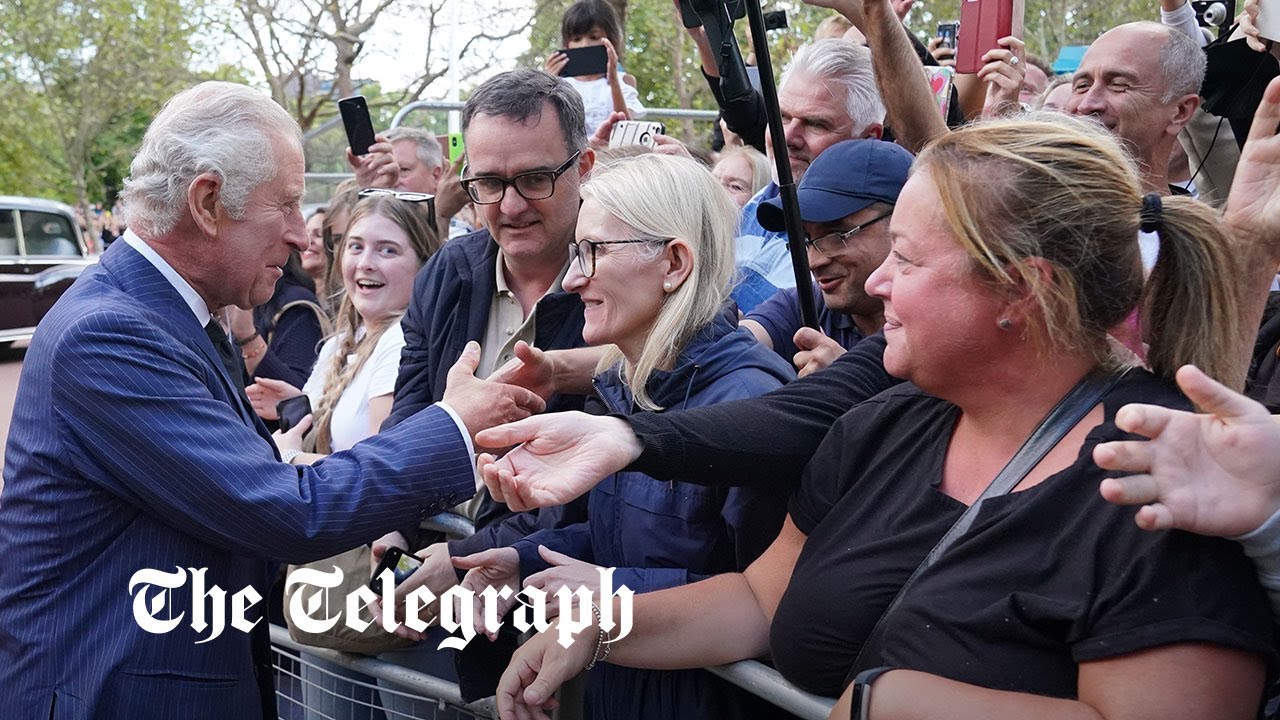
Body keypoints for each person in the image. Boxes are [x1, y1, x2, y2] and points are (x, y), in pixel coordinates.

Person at [485, 113, 1276, 720]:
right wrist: (602, 624)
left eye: (906, 258)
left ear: (1021, 291)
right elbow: (759, 602)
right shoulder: (888, 427)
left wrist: (894, 703)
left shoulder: (1163, 471)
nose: (879, 286)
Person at [0, 81, 542, 719]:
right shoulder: (111, 333)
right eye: (284, 205)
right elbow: (283, 514)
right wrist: (455, 423)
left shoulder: (178, 315)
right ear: (207, 201)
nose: (300, 235)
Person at [452, 153, 796, 719]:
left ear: (674, 263)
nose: (572, 278)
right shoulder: (626, 386)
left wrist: (613, 590)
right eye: (576, 252)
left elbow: (764, 595)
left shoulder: (747, 405)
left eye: (594, 251)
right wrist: (522, 563)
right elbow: (620, 539)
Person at [374, 68, 597, 700]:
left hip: (549, 622)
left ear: (584, 165)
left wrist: (481, 556)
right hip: (427, 597)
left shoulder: (615, 287)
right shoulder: (449, 271)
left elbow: (600, 487)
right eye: (488, 183)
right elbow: (411, 416)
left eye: (534, 178)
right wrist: (389, 528)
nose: (510, 204)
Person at [731, 38, 886, 313]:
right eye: (782, 117)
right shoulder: (753, 206)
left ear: (868, 138)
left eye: (816, 124)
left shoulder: (876, 246)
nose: (787, 137)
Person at [741, 139, 908, 376]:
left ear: (904, 221)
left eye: (836, 234)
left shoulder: (942, 325)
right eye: (805, 239)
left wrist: (850, 383)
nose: (813, 261)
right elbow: (732, 350)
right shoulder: (805, 304)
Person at [546, 0, 646, 135]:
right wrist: (546, 85)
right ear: (567, 44)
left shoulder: (625, 82)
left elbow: (626, 129)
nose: (584, 45)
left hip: (611, 154)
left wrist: (614, 81)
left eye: (594, 37)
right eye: (576, 39)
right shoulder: (561, 84)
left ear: (612, 40)